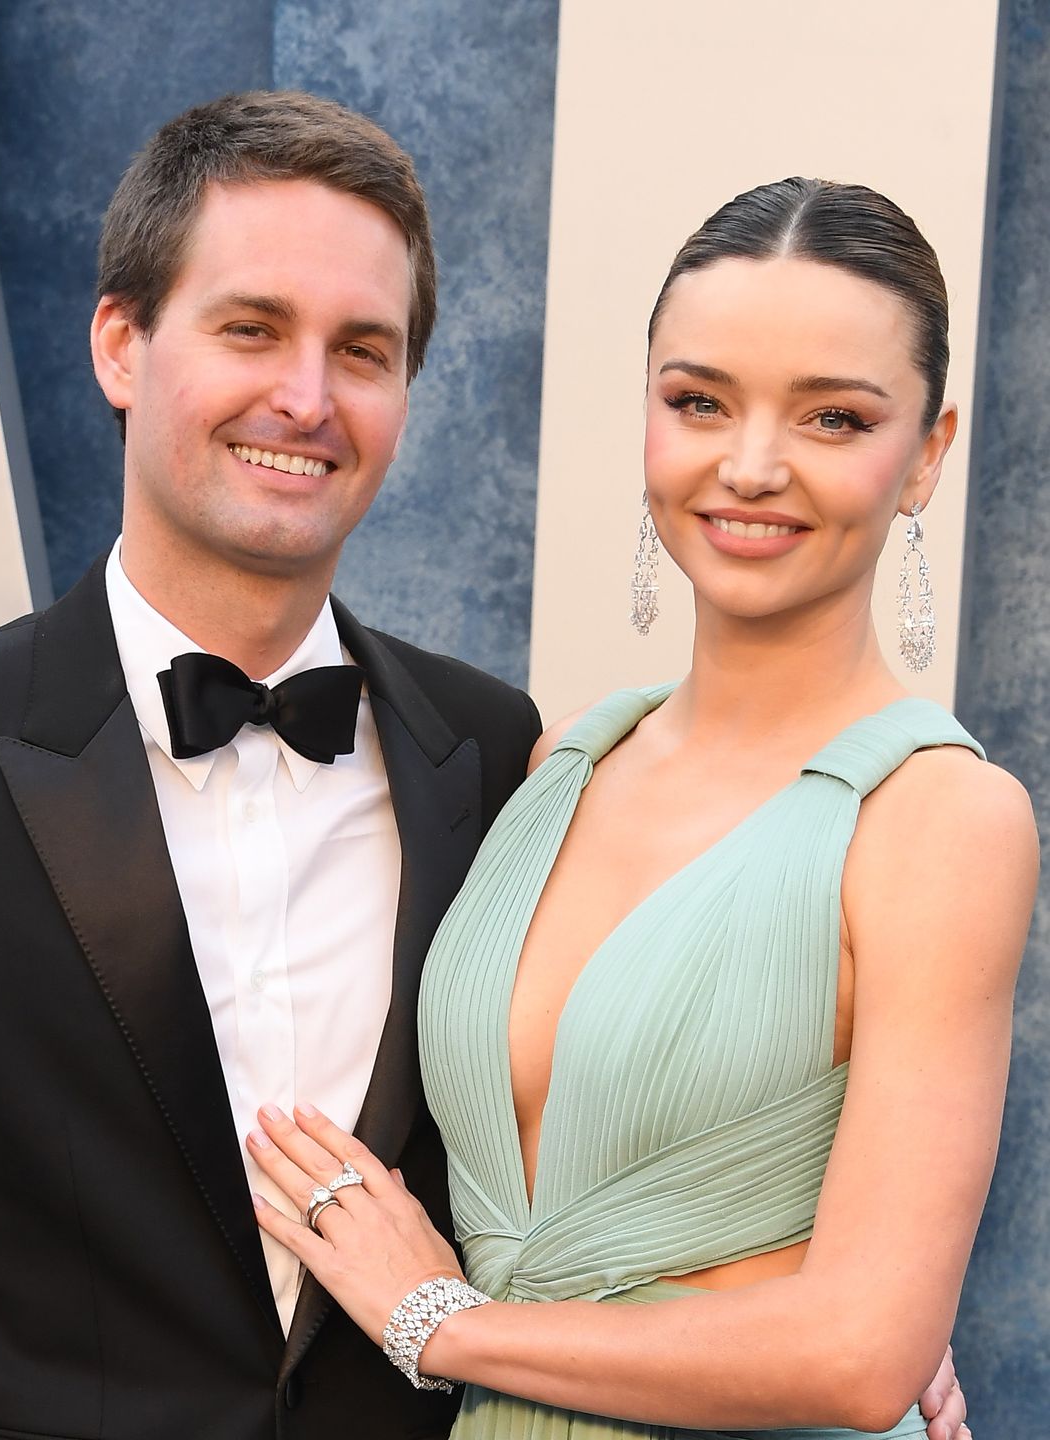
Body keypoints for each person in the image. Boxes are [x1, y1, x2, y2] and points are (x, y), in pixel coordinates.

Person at [246, 178, 1038, 1439]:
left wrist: (442, 1323)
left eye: (834, 418)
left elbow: (859, 1349)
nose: (754, 464)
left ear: (926, 454)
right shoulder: (558, 757)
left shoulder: (941, 819)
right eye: (700, 402)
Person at [0, 91, 541, 1439]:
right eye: (251, 328)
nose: (307, 395)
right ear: (121, 343)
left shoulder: (500, 751)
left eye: (364, 350)